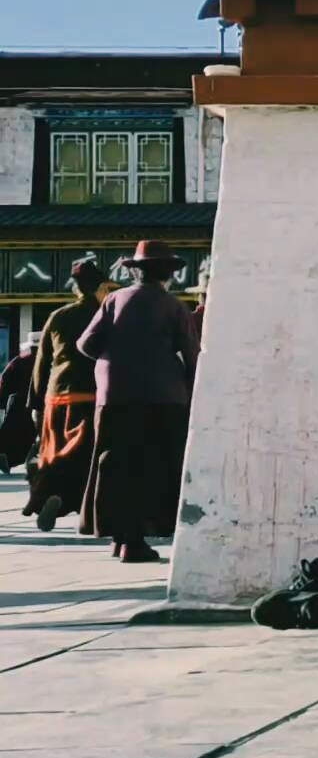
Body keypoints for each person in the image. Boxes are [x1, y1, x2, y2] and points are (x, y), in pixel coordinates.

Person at [76, 241, 197, 563]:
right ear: (168, 274)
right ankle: (136, 540)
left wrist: (114, 360)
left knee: (114, 463)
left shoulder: (114, 300)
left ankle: (119, 537)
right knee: (152, 466)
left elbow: (86, 343)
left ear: (135, 271)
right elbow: (192, 354)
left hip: (113, 394)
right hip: (161, 396)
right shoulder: (174, 306)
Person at [25, 262, 111, 531]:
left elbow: (42, 363)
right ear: (98, 288)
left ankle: (50, 497)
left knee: (53, 453)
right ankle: (71, 504)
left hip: (57, 397)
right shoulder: (105, 317)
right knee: (86, 458)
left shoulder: (58, 316)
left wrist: (36, 404)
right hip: (92, 396)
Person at [0, 335, 37, 475]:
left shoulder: (19, 360)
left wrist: (2, 399)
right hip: (38, 401)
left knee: (11, 432)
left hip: (17, 401)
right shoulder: (50, 358)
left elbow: (4, 379)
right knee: (31, 433)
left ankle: (5, 456)